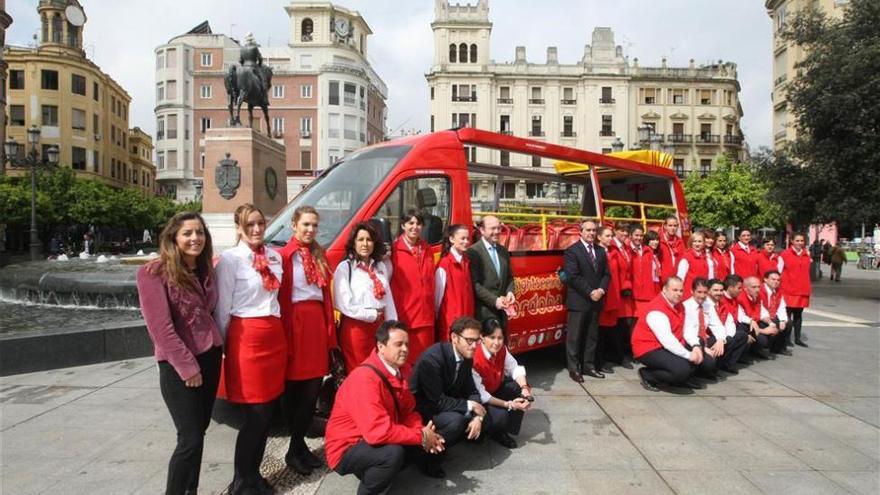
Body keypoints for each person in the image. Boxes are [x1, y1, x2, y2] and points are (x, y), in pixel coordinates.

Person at [136, 212, 222, 495]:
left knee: (199, 433)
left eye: (200, 232)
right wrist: (188, 367)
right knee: (190, 438)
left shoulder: (205, 268)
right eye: (187, 233)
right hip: (179, 366)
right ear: (173, 237)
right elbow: (160, 328)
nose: (195, 238)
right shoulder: (153, 273)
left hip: (210, 357)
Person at [325, 321, 445, 495]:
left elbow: (409, 410)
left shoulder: (400, 369)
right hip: (346, 447)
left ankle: (379, 472)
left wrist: (422, 432)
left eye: (406, 344)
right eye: (398, 344)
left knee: (428, 425)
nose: (404, 349)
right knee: (392, 454)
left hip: (372, 434)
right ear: (381, 346)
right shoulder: (365, 379)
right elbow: (377, 433)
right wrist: (421, 436)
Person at [213, 204, 285, 495]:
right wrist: (225, 346)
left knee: (267, 413)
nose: (256, 229)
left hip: (273, 336)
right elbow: (223, 309)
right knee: (254, 415)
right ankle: (240, 481)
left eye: (260, 223)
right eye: (250, 224)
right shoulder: (231, 260)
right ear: (239, 228)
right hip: (247, 339)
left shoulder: (274, 256)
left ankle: (254, 476)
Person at [278, 206, 337, 475]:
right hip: (294, 324)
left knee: (312, 389)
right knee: (294, 390)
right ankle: (296, 447)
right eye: (306, 224)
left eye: (314, 225)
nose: (311, 229)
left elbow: (326, 297)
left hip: (315, 323)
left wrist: (329, 334)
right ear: (294, 225)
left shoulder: (319, 254)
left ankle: (297, 446)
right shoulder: (283, 256)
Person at [409, 316, 490, 478]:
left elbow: (472, 391)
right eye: (469, 340)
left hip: (447, 402)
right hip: (423, 409)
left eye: (477, 340)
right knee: (456, 422)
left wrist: (477, 417)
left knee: (487, 417)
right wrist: (471, 406)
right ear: (454, 337)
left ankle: (459, 437)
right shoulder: (433, 359)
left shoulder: (466, 357)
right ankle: (425, 456)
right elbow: (436, 401)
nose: (474, 346)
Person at [334, 222, 397, 372]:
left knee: (380, 369)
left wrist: (393, 325)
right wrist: (370, 315)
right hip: (356, 329)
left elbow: (388, 300)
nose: (365, 244)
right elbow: (343, 304)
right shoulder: (345, 268)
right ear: (353, 243)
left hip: (380, 327)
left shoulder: (380, 267)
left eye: (369, 240)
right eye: (360, 240)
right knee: (359, 371)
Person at [631, 277, 704, 391]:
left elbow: (688, 329)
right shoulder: (657, 310)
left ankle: (681, 379)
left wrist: (696, 346)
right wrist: (689, 355)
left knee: (701, 349)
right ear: (664, 290)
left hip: (668, 344)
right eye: (675, 290)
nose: (679, 294)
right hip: (649, 348)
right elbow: (668, 341)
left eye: (681, 290)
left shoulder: (680, 305)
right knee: (681, 370)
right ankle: (648, 375)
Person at [471, 319, 533, 449]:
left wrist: (525, 389)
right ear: (482, 336)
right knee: (501, 416)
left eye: (500, 338)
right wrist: (509, 404)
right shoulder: (474, 357)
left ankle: (502, 432)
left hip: (494, 388)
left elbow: (515, 368)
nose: (496, 342)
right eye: (492, 337)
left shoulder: (502, 349)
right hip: (476, 399)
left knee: (517, 388)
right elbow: (482, 395)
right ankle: (483, 429)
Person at [563, 220, 611, 382]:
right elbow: (572, 276)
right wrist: (590, 292)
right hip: (579, 301)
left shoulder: (601, 251)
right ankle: (574, 369)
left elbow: (606, 274)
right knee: (574, 337)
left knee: (592, 336)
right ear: (581, 232)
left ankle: (589, 366)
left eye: (593, 230)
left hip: (596, 300)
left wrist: (601, 290)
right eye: (588, 230)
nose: (591, 233)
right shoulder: (572, 251)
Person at [390, 209, 437, 364]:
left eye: (418, 223)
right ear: (403, 225)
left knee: (425, 363)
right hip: (406, 317)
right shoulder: (393, 251)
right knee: (406, 362)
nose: (414, 227)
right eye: (411, 223)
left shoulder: (427, 250)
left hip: (426, 317)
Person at [467, 215, 516, 326]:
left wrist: (510, 292)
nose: (497, 231)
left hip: (502, 313)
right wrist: (495, 301)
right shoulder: (473, 252)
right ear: (482, 230)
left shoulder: (503, 251)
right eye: (492, 228)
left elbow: (509, 277)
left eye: (499, 228)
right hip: (483, 313)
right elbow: (475, 285)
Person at [681, 278, 726, 385]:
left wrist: (720, 340)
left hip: (703, 339)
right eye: (699, 292)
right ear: (692, 291)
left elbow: (717, 324)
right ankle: (689, 376)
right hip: (689, 341)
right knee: (709, 362)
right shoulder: (685, 307)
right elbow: (687, 332)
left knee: (725, 341)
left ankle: (706, 371)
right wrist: (703, 349)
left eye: (705, 292)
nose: (702, 296)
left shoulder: (708, 305)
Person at [435, 224, 475, 341]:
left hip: (466, 319)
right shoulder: (444, 264)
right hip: (451, 321)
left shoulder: (466, 262)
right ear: (451, 239)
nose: (466, 241)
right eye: (462, 238)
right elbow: (438, 298)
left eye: (468, 238)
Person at [706, 278, 749, 373]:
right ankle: (712, 369)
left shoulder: (722, 304)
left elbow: (730, 323)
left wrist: (726, 338)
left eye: (721, 290)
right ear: (708, 291)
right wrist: (721, 339)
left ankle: (727, 365)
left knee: (741, 336)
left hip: (720, 334)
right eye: (715, 290)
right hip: (707, 336)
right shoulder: (706, 304)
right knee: (727, 341)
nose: (719, 293)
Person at [596, 226, 623, 373]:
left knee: (608, 329)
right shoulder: (597, 252)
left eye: (611, 235)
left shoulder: (613, 252)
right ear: (599, 237)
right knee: (599, 331)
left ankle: (606, 358)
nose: (610, 238)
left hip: (614, 294)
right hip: (603, 295)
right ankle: (598, 362)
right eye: (607, 236)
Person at [611, 223, 636, 368]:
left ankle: (621, 354)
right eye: (622, 231)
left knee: (625, 324)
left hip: (626, 291)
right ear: (615, 231)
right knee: (618, 325)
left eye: (627, 231)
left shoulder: (625, 247)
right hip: (616, 290)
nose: (625, 234)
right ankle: (618, 356)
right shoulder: (612, 246)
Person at [780, 233, 811, 347]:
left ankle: (797, 338)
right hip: (788, 289)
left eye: (801, 240)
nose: (799, 243)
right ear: (792, 241)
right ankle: (786, 338)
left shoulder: (807, 255)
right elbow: (778, 271)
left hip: (802, 289)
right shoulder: (784, 254)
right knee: (787, 315)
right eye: (797, 240)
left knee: (798, 315)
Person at [737, 276, 779, 360]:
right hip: (744, 324)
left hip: (755, 322)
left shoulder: (758, 296)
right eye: (754, 287)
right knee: (762, 338)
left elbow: (763, 312)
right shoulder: (740, 298)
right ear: (745, 288)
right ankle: (744, 354)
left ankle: (757, 350)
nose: (757, 289)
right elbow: (741, 318)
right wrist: (763, 331)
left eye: (759, 287)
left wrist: (770, 323)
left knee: (774, 326)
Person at [630, 225, 660, 316]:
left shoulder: (648, 251)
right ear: (630, 236)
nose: (639, 238)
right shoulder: (627, 250)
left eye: (641, 236)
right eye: (636, 235)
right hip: (632, 294)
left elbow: (655, 276)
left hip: (648, 293)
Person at [760, 270, 791, 356]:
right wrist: (770, 321)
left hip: (772, 314)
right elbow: (760, 308)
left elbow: (781, 307)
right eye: (773, 279)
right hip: (762, 317)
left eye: (778, 280)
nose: (776, 282)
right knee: (774, 324)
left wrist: (783, 320)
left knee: (788, 323)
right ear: (765, 279)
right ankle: (764, 348)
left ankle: (778, 348)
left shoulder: (778, 291)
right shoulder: (760, 289)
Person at [676, 231, 713, 299]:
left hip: (704, 293)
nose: (697, 244)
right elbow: (680, 278)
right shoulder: (686, 257)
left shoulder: (707, 257)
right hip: (689, 294)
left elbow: (710, 277)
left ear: (704, 243)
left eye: (699, 241)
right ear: (691, 242)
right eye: (694, 241)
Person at [658, 216, 685, 283]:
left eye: (675, 226)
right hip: (662, 279)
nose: (672, 228)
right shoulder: (658, 241)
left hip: (677, 279)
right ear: (665, 226)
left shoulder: (680, 242)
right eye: (670, 225)